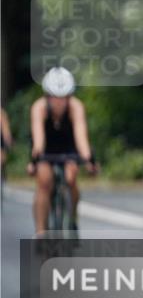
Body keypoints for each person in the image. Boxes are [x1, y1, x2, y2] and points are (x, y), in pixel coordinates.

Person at [27, 67, 97, 235]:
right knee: (44, 181)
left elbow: (81, 137)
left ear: (69, 96)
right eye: (54, 97)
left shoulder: (76, 107)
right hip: (46, 147)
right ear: (47, 96)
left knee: (71, 177)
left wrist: (88, 159)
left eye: (63, 97)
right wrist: (34, 161)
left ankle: (72, 217)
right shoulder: (39, 108)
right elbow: (38, 140)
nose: (59, 102)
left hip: (68, 146)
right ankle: (41, 232)